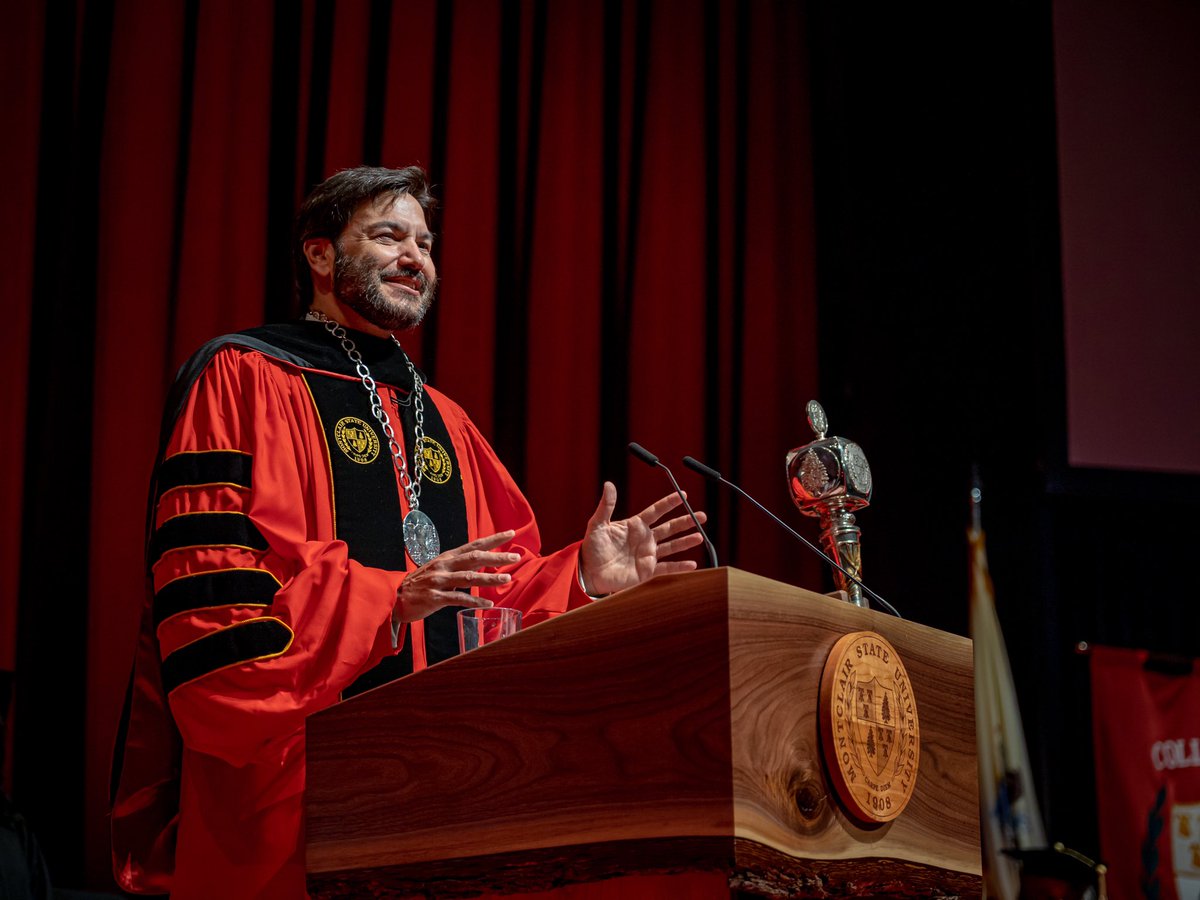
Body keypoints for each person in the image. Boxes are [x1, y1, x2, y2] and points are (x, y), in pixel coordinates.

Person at [109, 166, 706, 899]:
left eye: (424, 242)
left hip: (443, 798)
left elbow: (490, 591)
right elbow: (217, 613)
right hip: (289, 800)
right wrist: (388, 602)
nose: (414, 255)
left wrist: (580, 576)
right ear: (320, 255)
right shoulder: (243, 376)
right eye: (388, 234)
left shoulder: (447, 422)